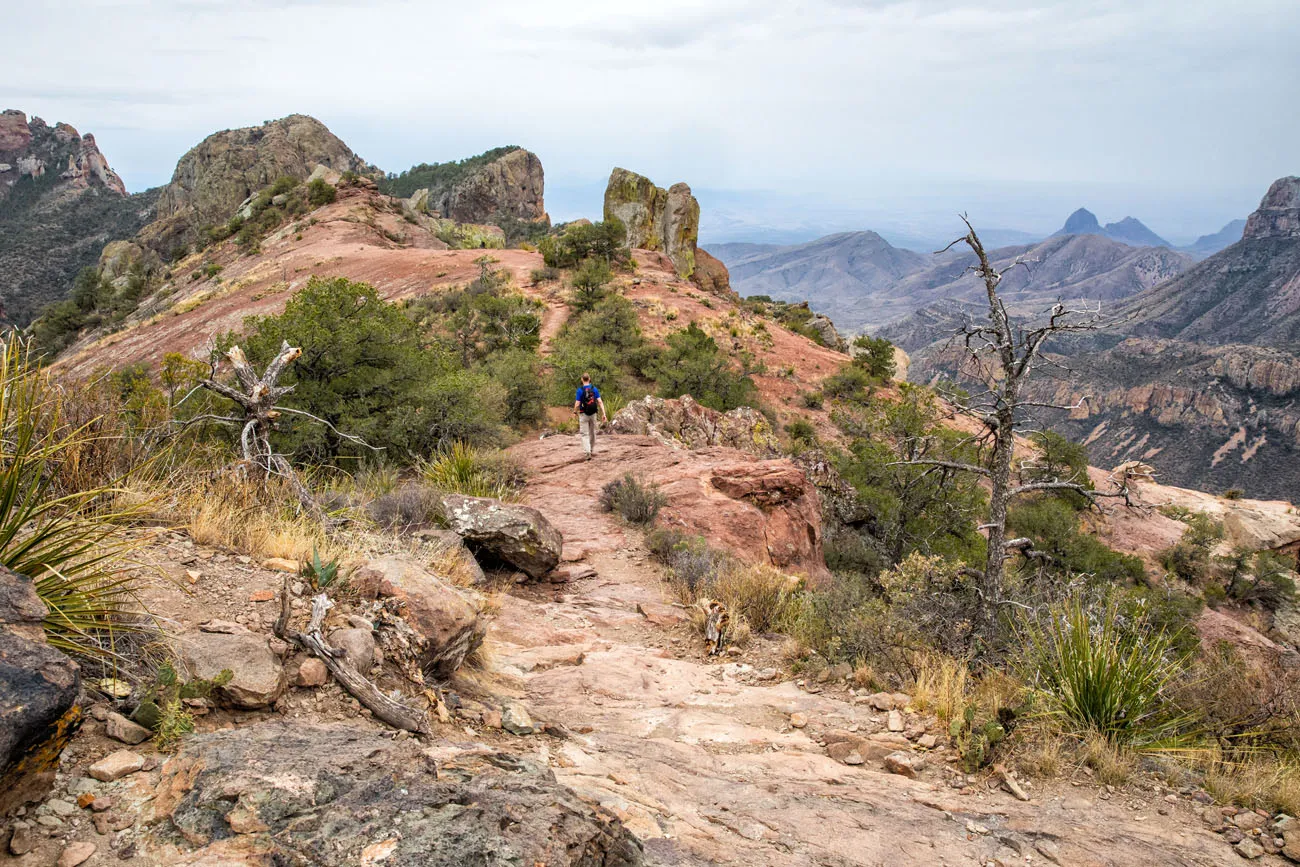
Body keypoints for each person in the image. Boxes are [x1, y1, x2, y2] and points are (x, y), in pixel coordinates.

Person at [573, 373, 608, 460]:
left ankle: (587, 452)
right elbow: (600, 401)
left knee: (585, 434)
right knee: (592, 432)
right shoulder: (594, 389)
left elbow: (577, 403)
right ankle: (591, 449)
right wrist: (604, 414)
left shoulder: (580, 390)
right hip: (593, 414)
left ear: (582, 379)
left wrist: (574, 412)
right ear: (589, 379)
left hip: (583, 414)